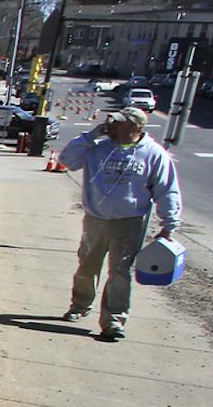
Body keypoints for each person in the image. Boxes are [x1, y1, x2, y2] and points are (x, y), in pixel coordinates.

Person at [56, 104, 182, 342]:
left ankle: (113, 319)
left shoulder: (154, 154)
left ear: (134, 127)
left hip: (129, 222)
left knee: (119, 273)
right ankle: (79, 306)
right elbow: (67, 159)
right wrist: (92, 135)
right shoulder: (98, 149)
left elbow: (167, 190)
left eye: (118, 121)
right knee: (86, 266)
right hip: (95, 219)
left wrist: (169, 225)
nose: (111, 124)